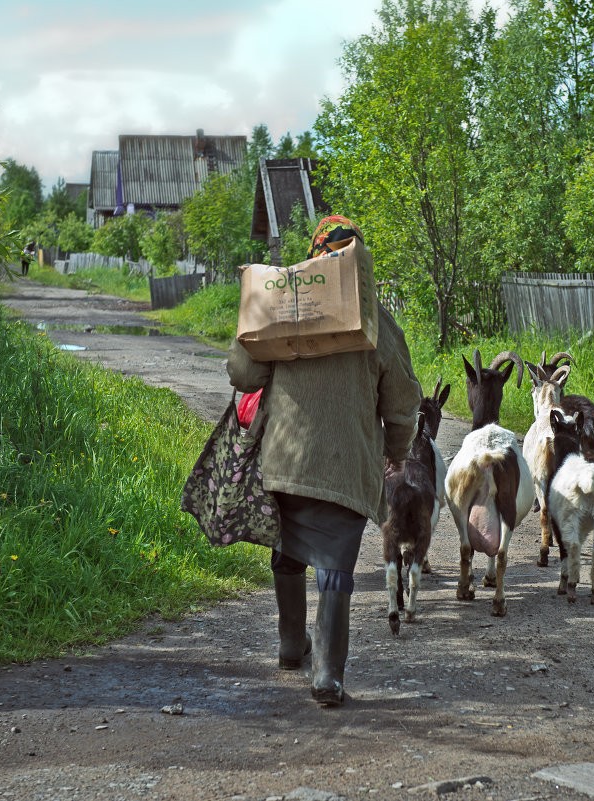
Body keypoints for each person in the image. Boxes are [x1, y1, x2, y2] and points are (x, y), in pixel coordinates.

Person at [226, 215, 421, 707]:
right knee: (335, 566)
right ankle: (327, 675)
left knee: (287, 548)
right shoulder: (376, 318)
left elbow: (244, 375)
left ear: (314, 255)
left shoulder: (286, 303)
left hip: (285, 461)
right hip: (345, 467)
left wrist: (251, 320)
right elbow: (401, 401)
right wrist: (395, 453)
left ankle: (292, 643)